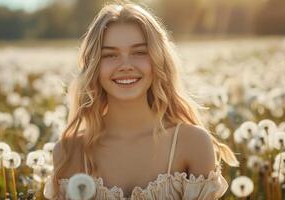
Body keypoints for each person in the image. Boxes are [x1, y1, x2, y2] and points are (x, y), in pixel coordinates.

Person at [48, 2, 239, 199]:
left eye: (139, 52)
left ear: (158, 59)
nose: (126, 65)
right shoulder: (69, 152)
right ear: (93, 65)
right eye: (110, 55)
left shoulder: (192, 143)